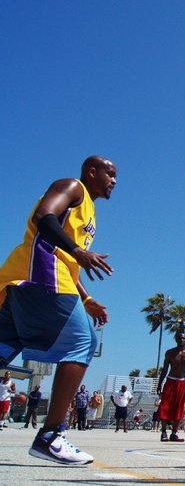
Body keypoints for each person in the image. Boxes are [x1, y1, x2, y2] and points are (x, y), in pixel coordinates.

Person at [0, 156, 116, 464]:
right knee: (83, 341)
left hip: (28, 277)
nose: (114, 181)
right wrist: (78, 250)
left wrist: (86, 298)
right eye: (110, 174)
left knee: (4, 348)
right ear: (92, 172)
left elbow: (66, 257)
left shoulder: (89, 210)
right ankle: (50, 435)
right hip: (42, 273)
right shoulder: (72, 187)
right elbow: (44, 217)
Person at [156, 329, 185, 442]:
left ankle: (174, 433)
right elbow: (164, 370)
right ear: (175, 339)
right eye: (179, 338)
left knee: (179, 409)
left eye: (183, 338)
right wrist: (159, 384)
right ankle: (164, 432)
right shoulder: (170, 353)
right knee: (165, 406)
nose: (181, 340)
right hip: (170, 382)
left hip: (182, 383)